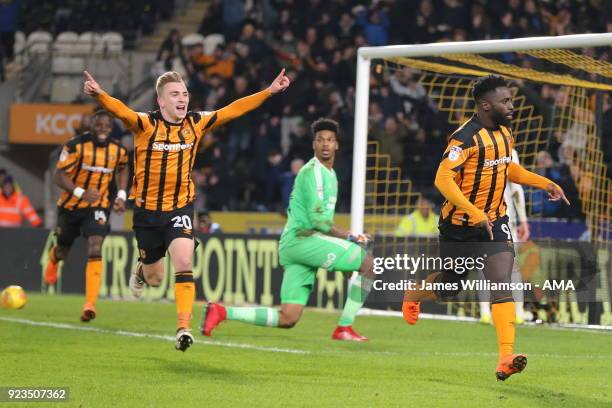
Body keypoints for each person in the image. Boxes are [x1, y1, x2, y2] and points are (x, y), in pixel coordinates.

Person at [83, 68, 290, 351]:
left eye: (184, 94)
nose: (182, 99)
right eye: (174, 95)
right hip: (146, 213)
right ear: (161, 102)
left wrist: (268, 92)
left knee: (183, 260)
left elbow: (233, 109)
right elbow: (122, 111)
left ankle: (183, 327)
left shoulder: (196, 122)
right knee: (155, 278)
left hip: (180, 206)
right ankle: (142, 271)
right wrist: (100, 95)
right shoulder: (145, 124)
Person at [401, 75, 569, 381]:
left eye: (511, 100)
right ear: (485, 105)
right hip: (460, 226)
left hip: (495, 221)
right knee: (448, 288)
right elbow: (443, 179)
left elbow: (509, 168)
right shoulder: (464, 137)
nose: (512, 105)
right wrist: (472, 210)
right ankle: (414, 292)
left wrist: (544, 182)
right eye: (505, 101)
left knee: (501, 280)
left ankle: (506, 356)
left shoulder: (505, 132)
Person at [202, 118, 376, 341]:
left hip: (295, 245)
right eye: (320, 140)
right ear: (313, 144)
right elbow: (318, 222)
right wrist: (352, 236)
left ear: (337, 145)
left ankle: (222, 311)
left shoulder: (330, 174)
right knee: (368, 263)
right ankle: (344, 327)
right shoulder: (312, 172)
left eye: (330, 140)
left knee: (288, 318)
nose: (325, 144)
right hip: (304, 240)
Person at [44, 111, 129, 322]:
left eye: (107, 126)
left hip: (98, 205)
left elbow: (123, 169)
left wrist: (120, 194)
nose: (103, 129)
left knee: (95, 246)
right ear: (92, 125)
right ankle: (54, 259)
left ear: (111, 129)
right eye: (99, 125)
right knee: (64, 248)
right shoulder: (75, 145)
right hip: (71, 205)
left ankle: (90, 304)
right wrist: (80, 192)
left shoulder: (118, 150)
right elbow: (58, 175)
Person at [479, 148, 529, 325]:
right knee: (513, 267)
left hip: (481, 216)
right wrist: (523, 219)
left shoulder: (477, 147)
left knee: (484, 265)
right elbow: (516, 190)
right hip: (505, 218)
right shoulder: (509, 151)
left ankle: (485, 312)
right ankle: (518, 312)